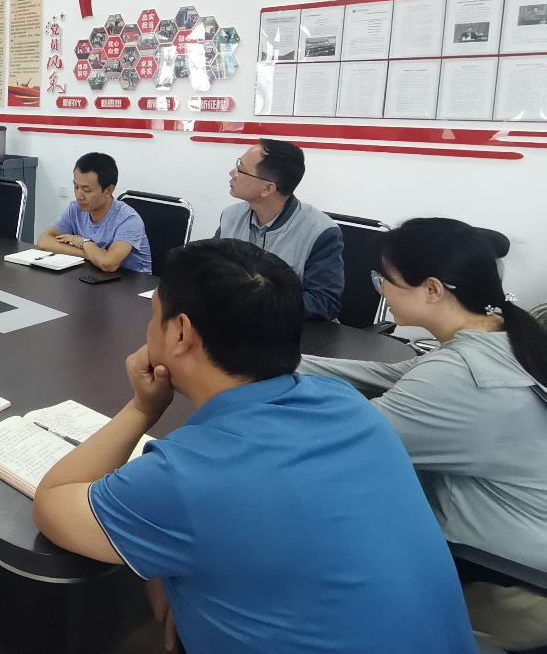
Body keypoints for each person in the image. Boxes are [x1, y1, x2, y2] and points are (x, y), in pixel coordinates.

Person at [31, 238, 477, 654]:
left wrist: (141, 409)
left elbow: (52, 505)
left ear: (181, 333)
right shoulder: (347, 403)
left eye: (153, 316)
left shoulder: (186, 477)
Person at [299, 218, 547, 654]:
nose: (380, 290)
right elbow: (384, 376)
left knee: (308, 586)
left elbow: (337, 443)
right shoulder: (499, 333)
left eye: (385, 280)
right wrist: (267, 360)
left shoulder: (464, 376)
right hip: (496, 553)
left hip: (508, 585)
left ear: (432, 289)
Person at [216, 139, 343, 320]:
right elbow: (211, 270)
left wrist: (254, 304)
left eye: (240, 169)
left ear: (268, 188)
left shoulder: (320, 232)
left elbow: (323, 303)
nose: (232, 173)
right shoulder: (231, 216)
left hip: (293, 330)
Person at [36, 152, 151, 273]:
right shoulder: (75, 209)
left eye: (86, 190)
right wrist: (88, 254)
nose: (79, 196)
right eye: (76, 187)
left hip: (132, 282)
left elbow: (108, 264)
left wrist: (82, 241)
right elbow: (44, 241)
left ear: (108, 191)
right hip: (93, 275)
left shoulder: (129, 220)